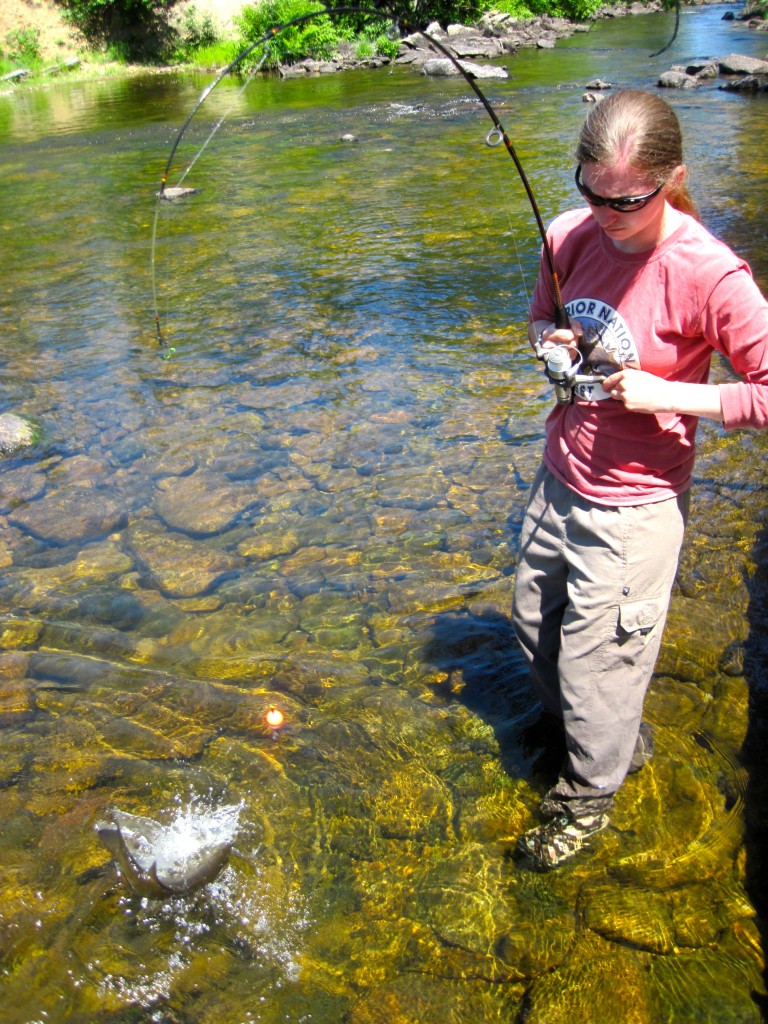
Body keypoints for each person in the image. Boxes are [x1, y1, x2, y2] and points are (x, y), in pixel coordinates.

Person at [511, 89, 768, 870]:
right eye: (592, 192)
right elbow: (537, 322)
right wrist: (551, 346)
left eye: (627, 200)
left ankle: (587, 798)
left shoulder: (709, 274)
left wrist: (671, 393)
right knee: (532, 627)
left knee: (596, 670)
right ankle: (616, 739)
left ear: (672, 179)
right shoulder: (565, 234)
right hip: (559, 479)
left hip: (637, 503)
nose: (607, 213)